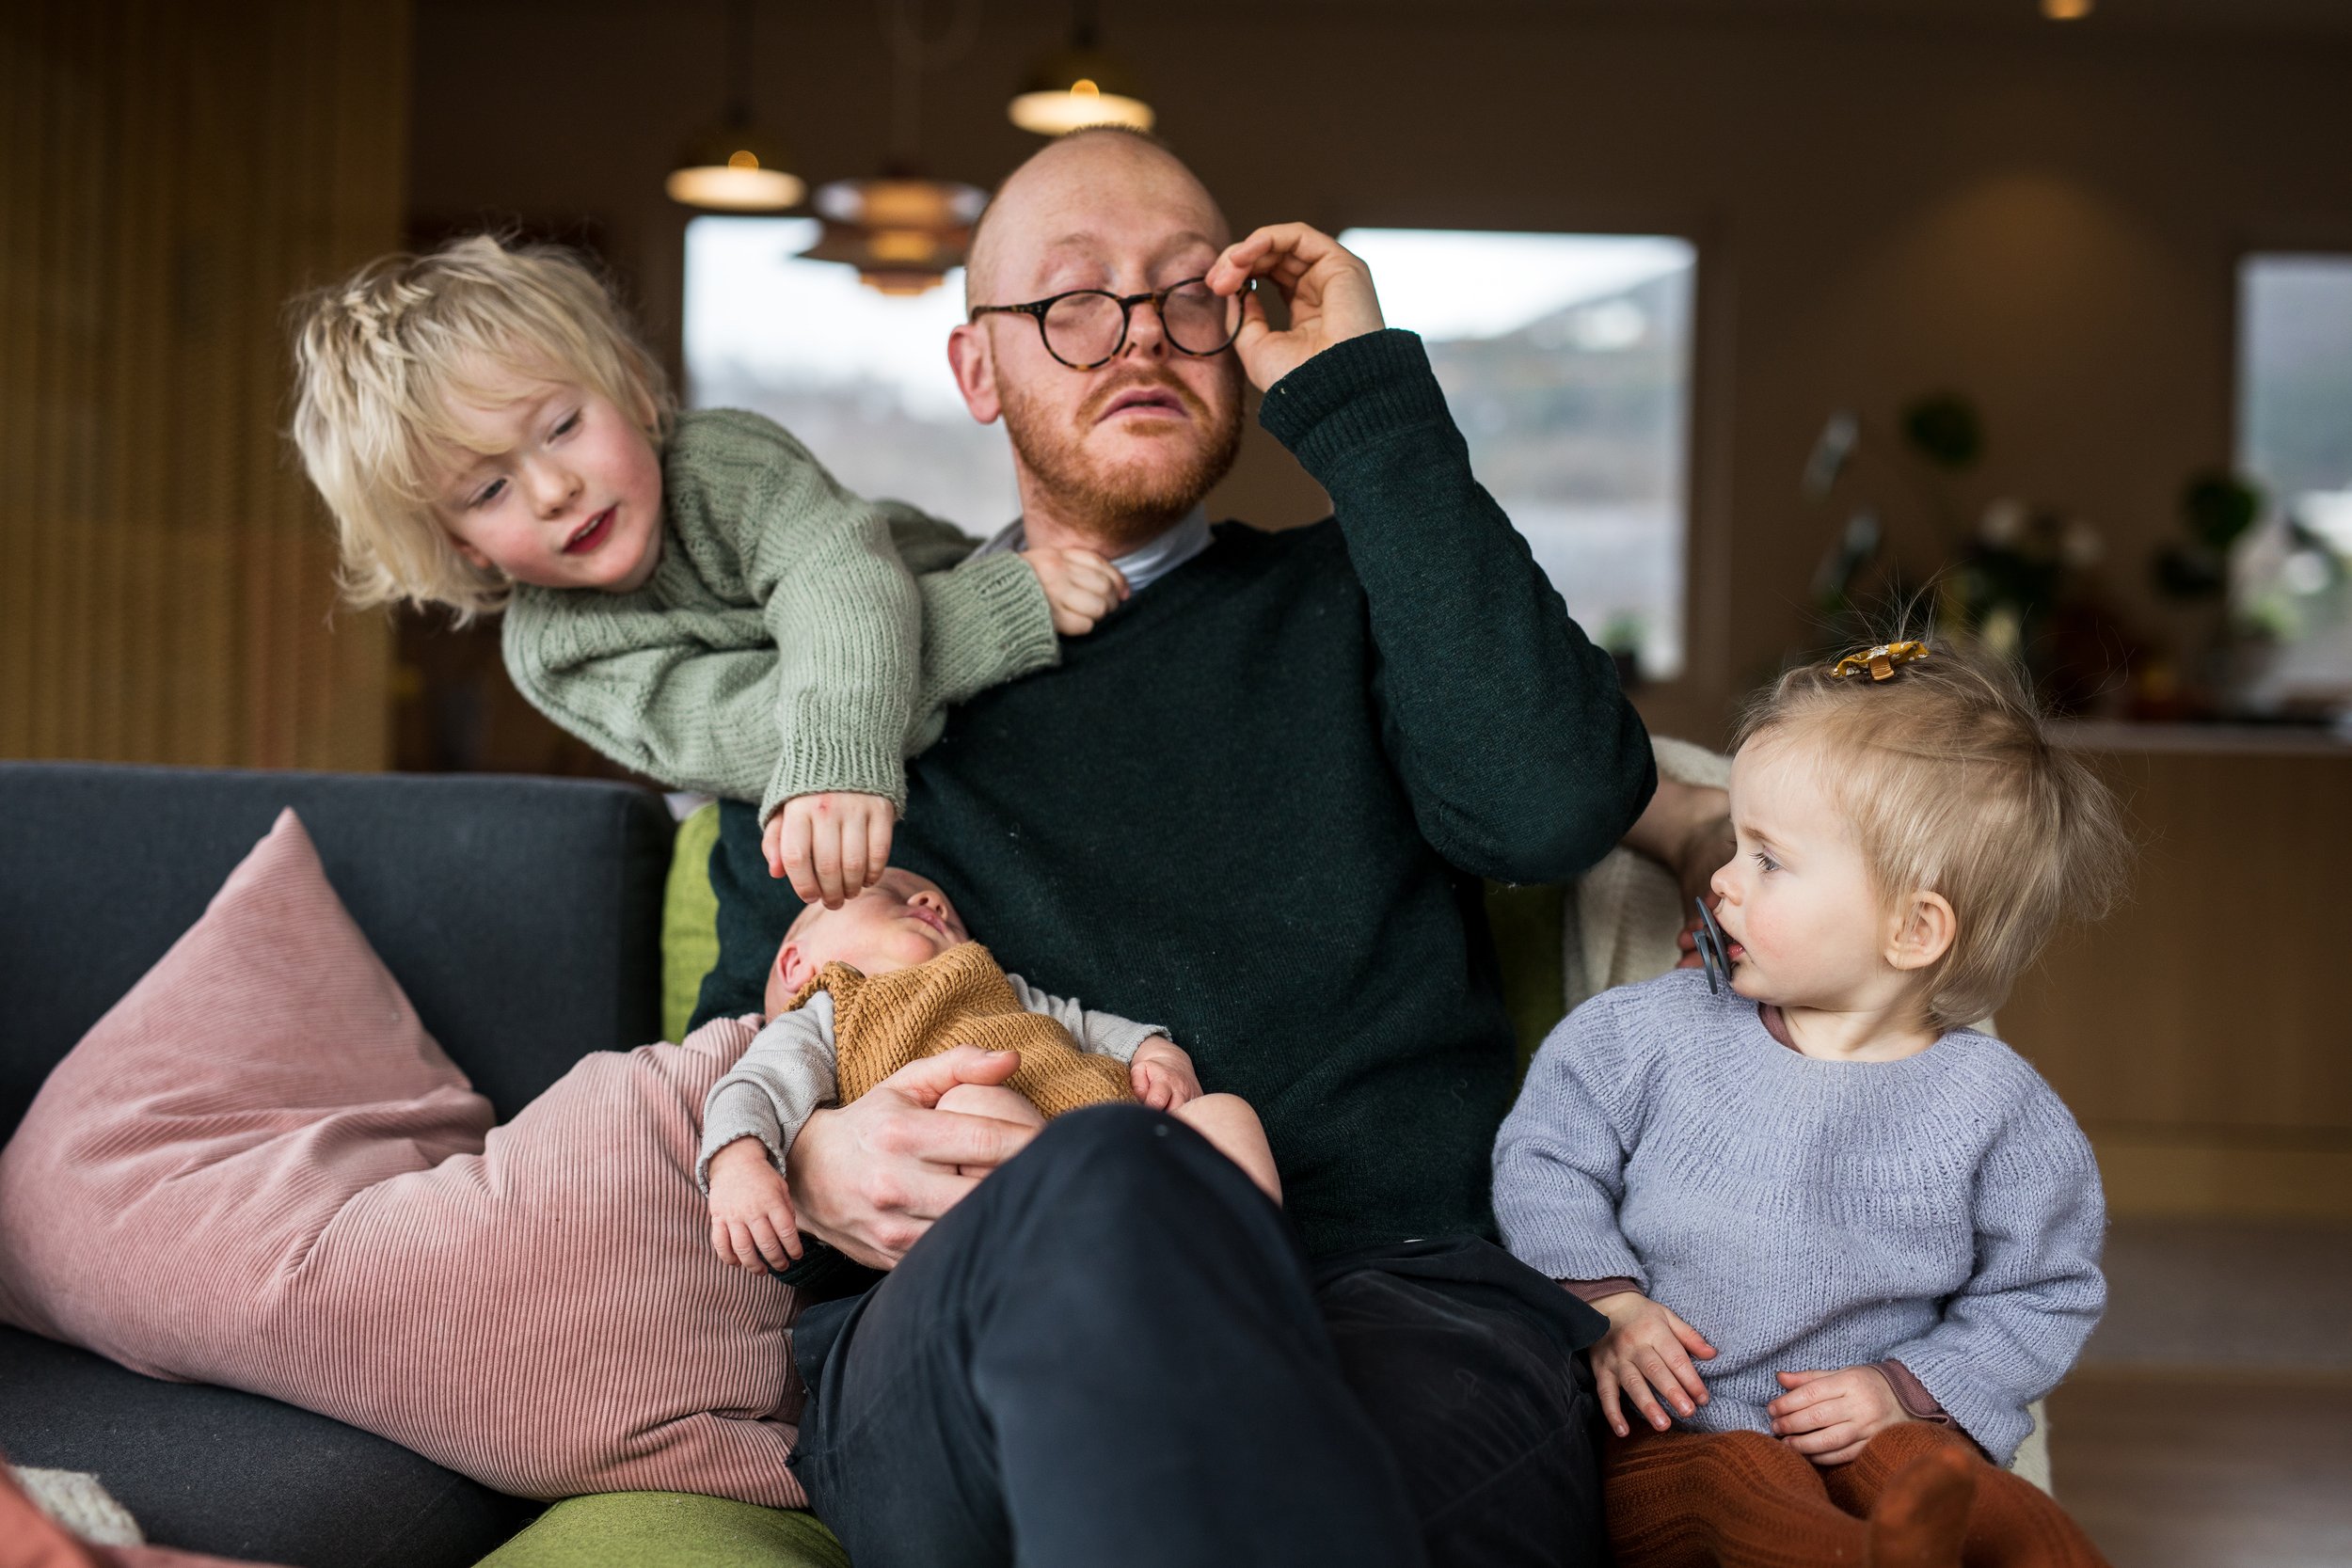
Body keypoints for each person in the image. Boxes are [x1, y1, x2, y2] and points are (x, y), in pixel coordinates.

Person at [660, 127, 1735, 1568]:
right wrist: (807, 1159)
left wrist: (1364, 395)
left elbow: (1556, 804)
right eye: (1072, 300)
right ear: (976, 368)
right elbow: (728, 1051)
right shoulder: (843, 695)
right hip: (962, 1308)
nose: (1139, 337)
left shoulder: (1357, 605)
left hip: (1385, 1294)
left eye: (1187, 294)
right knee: (1114, 1173)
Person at [1493, 641, 2125, 1568]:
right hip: (1680, 1433)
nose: (1721, 878)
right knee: (1743, 1486)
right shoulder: (1646, 1033)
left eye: (1768, 859)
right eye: (1735, 844)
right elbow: (1544, 1157)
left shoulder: (1998, 1111)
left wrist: (1905, 1388)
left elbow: (2044, 1289)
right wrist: (1611, 1305)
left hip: (1870, 1428)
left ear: (1912, 927)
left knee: (1957, 1488)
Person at [287, 234, 1131, 909]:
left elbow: (840, 585)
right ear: (464, 546)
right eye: (488, 490)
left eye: (563, 426)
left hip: (991, 583)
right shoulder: (557, 653)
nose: (553, 489)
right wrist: (986, 614)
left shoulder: (723, 464)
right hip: (985, 626)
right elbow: (751, 735)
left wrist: (842, 747)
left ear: (633, 391)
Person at [700, 866, 1280, 1273]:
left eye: (940, 905)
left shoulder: (1001, 985)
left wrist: (1156, 1054)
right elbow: (753, 1087)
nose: (930, 902)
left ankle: (1248, 1274)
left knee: (1225, 1114)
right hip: (1024, 1181)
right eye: (889, 894)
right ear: (797, 963)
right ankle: (1090, 1268)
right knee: (972, 1105)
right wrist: (737, 1162)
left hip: (1122, 1145)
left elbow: (1085, 1024)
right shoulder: (823, 1013)